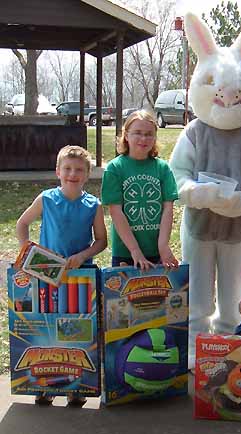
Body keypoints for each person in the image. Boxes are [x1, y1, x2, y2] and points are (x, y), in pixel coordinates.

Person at [16, 145, 107, 406]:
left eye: (79, 170)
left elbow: (102, 241)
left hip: (80, 277)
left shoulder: (93, 205)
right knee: (46, 325)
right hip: (46, 275)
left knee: (76, 328)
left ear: (87, 174)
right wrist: (28, 253)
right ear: (58, 172)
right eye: (67, 169)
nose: (72, 174)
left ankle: (76, 385)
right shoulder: (46, 199)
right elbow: (22, 224)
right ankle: (44, 384)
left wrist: (82, 255)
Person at [101, 109, 179, 270]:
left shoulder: (163, 168)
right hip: (125, 252)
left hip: (156, 251)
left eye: (149, 134)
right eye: (137, 133)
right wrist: (135, 251)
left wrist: (163, 246)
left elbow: (168, 209)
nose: (144, 138)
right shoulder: (115, 168)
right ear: (126, 135)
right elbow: (116, 212)